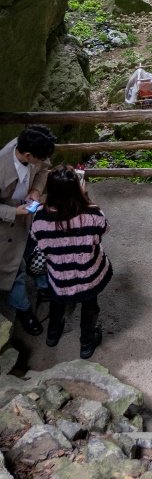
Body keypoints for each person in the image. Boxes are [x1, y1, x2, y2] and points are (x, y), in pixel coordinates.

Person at [31, 165, 112, 359]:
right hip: (89, 274)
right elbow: (103, 231)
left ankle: (52, 335)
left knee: (57, 301)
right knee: (90, 304)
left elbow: (37, 240)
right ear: (77, 188)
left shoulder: (40, 217)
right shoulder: (93, 214)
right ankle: (86, 343)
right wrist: (86, 199)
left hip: (59, 275)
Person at [0, 127, 56, 335]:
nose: (44, 161)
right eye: (39, 158)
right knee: (15, 270)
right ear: (28, 156)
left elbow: (43, 169)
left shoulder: (31, 147)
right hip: (6, 226)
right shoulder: (1, 166)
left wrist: (36, 190)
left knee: (35, 251)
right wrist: (14, 212)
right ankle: (24, 309)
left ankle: (44, 288)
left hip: (27, 215)